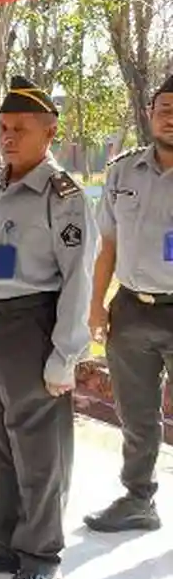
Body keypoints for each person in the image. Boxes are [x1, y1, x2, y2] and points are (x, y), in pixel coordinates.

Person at [0, 76, 97, 579]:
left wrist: (66, 354)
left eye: (21, 128)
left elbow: (79, 277)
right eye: (4, 128)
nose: (9, 137)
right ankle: (2, 539)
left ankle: (41, 555)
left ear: (50, 131)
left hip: (30, 326)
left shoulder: (63, 197)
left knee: (38, 447)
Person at [83, 75, 173, 534]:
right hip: (132, 310)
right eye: (164, 107)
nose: (170, 116)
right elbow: (107, 247)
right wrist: (96, 306)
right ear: (149, 114)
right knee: (136, 412)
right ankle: (139, 499)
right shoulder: (122, 171)